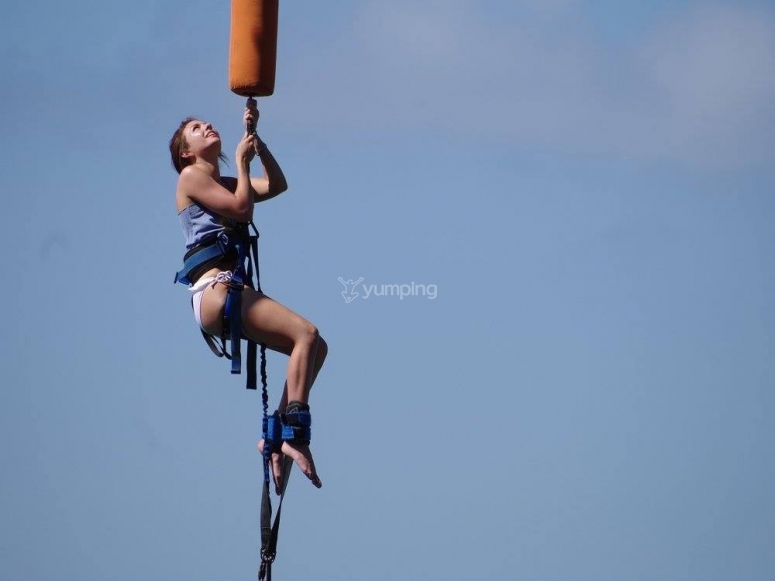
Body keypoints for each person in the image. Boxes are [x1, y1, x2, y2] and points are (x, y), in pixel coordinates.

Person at [169, 102, 326, 491]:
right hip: (215, 292)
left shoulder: (223, 181)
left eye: (206, 123)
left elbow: (275, 186)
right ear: (186, 152)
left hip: (229, 292)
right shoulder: (190, 177)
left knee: (314, 348)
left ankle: (273, 440)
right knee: (305, 333)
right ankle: (296, 437)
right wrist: (241, 163)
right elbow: (241, 209)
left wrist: (257, 144)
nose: (206, 125)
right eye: (195, 129)